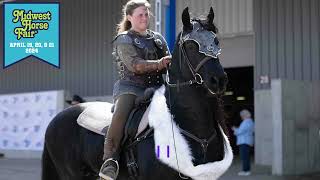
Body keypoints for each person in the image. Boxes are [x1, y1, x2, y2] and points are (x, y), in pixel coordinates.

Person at [99, 0, 171, 179]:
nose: (144, 18)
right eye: (140, 14)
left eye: (146, 14)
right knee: (121, 114)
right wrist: (160, 63)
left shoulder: (158, 39)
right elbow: (135, 65)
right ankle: (110, 160)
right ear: (130, 17)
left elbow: (169, 63)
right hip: (131, 88)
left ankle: (170, 155)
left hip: (158, 87)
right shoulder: (124, 39)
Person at [232, 109, 254, 176]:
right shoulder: (251, 122)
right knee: (246, 157)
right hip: (247, 141)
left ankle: (245, 171)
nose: (241, 117)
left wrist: (234, 129)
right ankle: (247, 170)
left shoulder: (246, 122)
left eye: (242, 115)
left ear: (244, 115)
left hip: (244, 142)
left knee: (244, 157)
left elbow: (239, 132)